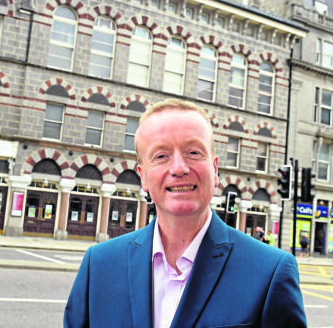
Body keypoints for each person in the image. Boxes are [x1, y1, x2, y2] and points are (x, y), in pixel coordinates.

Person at [64, 99, 307, 327]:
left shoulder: (271, 270)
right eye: (161, 156)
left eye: (193, 152)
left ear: (215, 169)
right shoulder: (98, 265)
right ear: (143, 176)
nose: (179, 168)